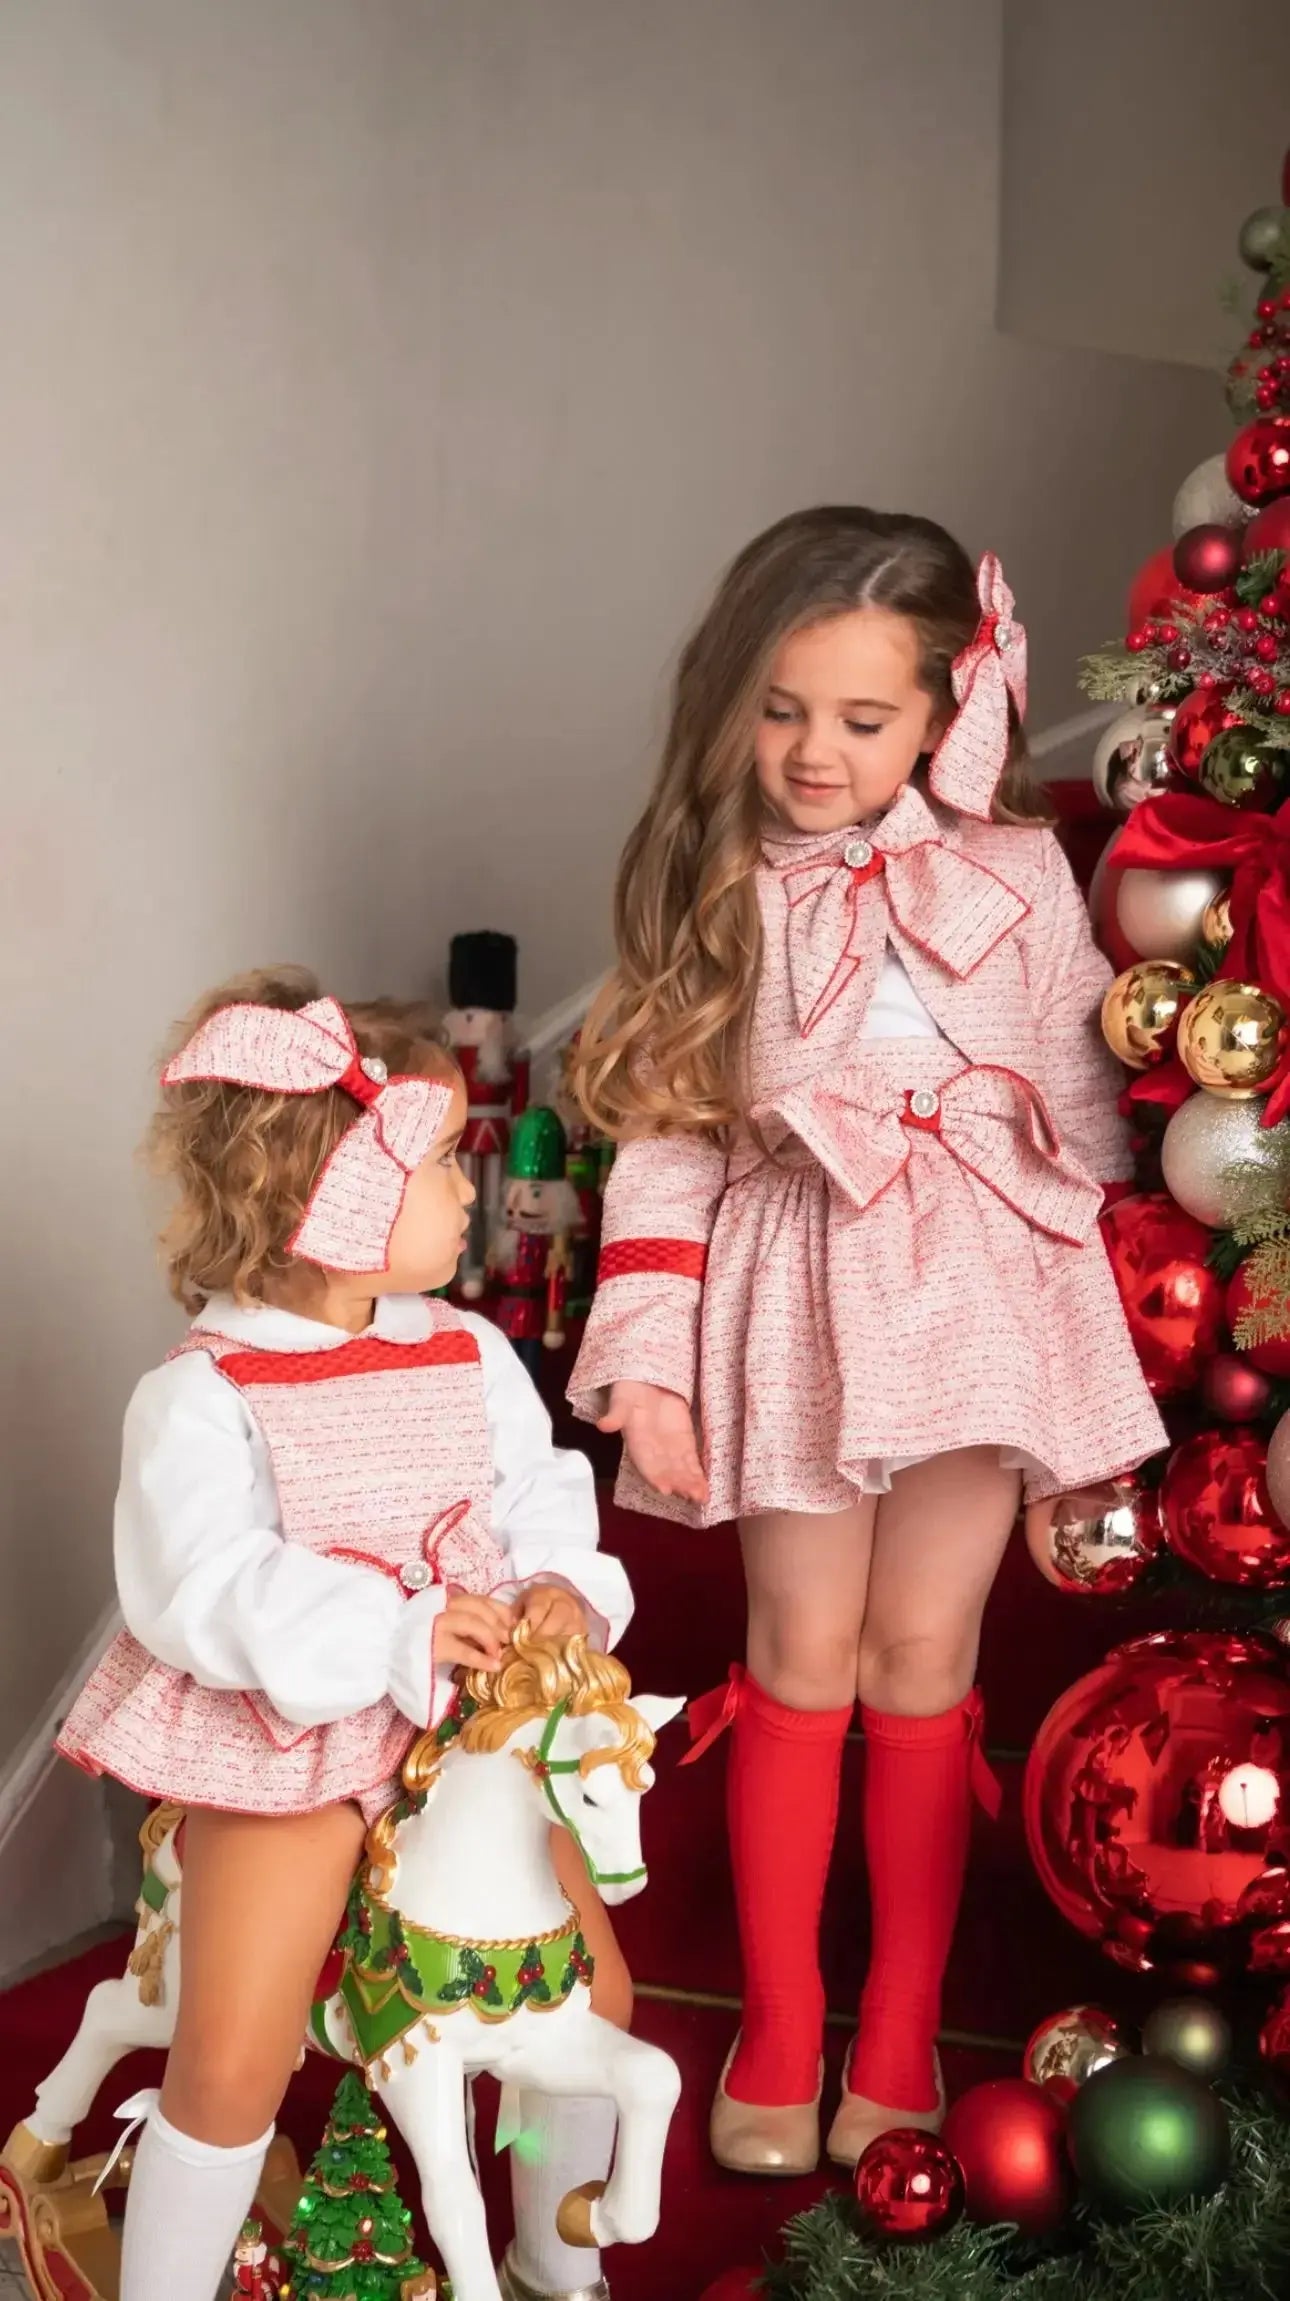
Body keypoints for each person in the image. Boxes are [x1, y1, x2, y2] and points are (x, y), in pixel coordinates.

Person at [567, 507, 1165, 2177]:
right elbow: (669, 1137)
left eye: (860, 719)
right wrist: (653, 1358)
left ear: (944, 712)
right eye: (778, 709)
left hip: (980, 1278)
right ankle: (777, 2014)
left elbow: (1087, 1125)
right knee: (799, 1648)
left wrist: (1091, 1410)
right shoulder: (722, 878)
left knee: (923, 1656)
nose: (810, 754)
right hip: (794, 1277)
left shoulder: (1019, 866)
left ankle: (894, 2028)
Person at [55, 969, 632, 2301]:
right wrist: (392, 1632)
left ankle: (559, 2256)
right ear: (336, 1201)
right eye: (434, 1165)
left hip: (464, 1731)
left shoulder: (468, 1350)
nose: (465, 1189)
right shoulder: (204, 1391)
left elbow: (539, 1488)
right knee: (234, 2052)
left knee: (589, 1996)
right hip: (290, 1735)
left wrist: (558, 1584)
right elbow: (202, 1582)